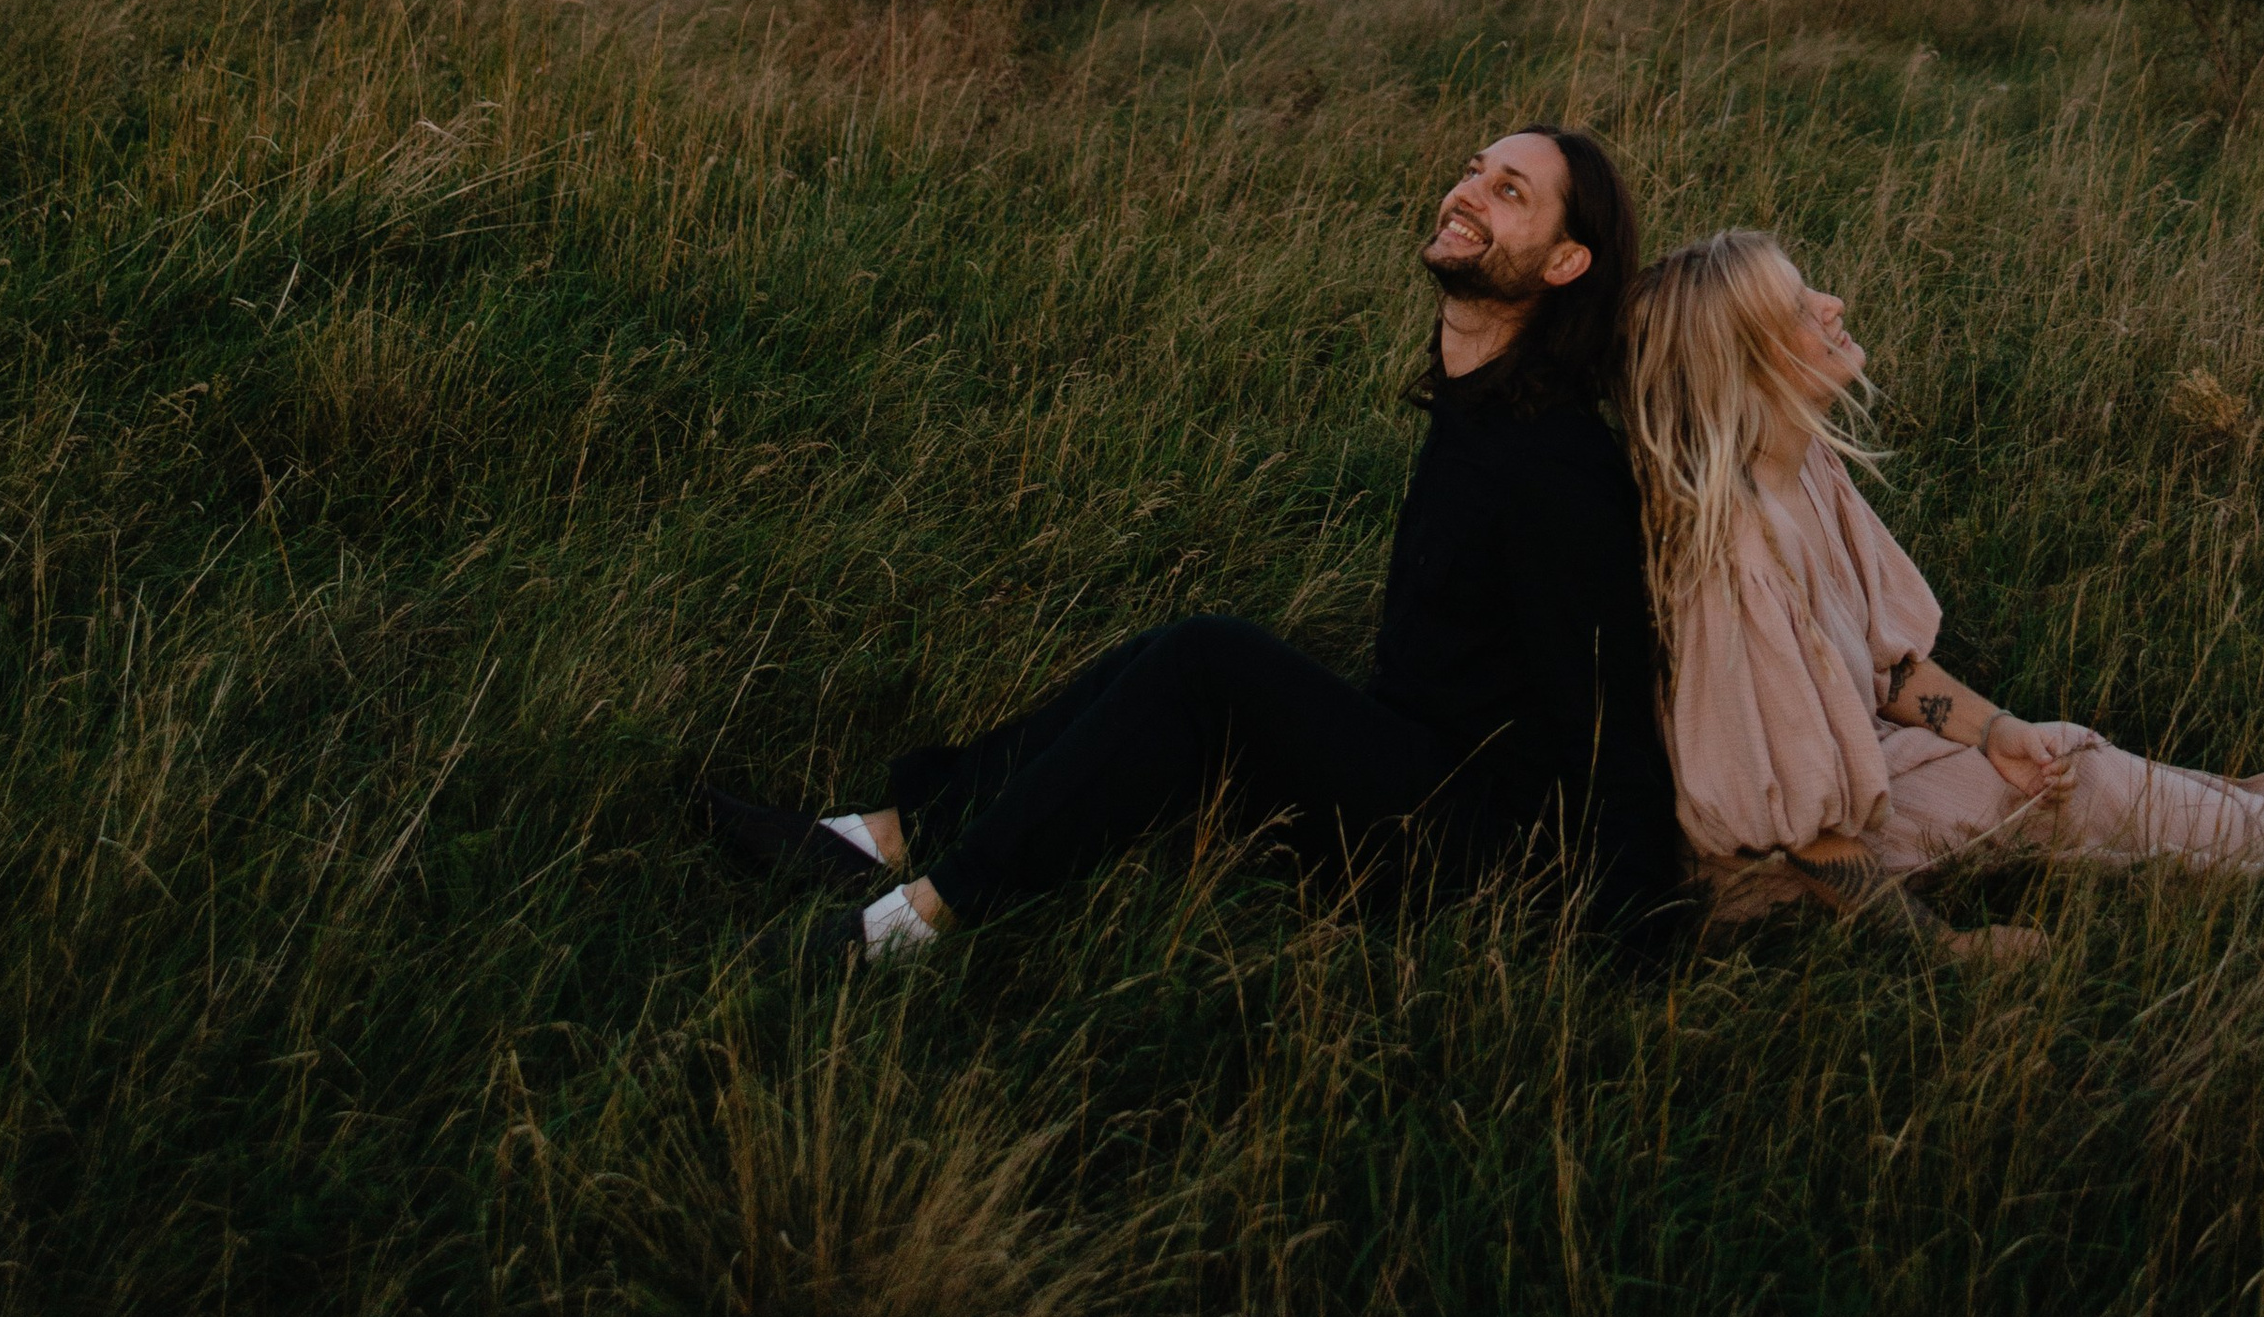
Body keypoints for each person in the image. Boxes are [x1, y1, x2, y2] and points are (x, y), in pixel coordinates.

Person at [706, 128, 1679, 962]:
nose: (1467, 193)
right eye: (1473, 170)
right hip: (1414, 771)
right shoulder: (1480, 412)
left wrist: (1628, 934)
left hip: (1484, 852)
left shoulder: (1556, 466)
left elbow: (1606, 717)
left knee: (1208, 659)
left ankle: (898, 932)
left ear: (1564, 262)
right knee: (1166, 661)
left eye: (1510, 193)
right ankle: (882, 835)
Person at [1619, 230, 2264, 940]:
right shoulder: (1739, 565)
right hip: (1800, 872)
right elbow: (1809, 840)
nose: (1832, 304)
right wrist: (1946, 951)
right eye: (1797, 307)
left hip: (1886, 769)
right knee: (2095, 789)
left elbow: (1892, 670)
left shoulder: (1806, 467)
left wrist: (1998, 733)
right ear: (1748, 362)